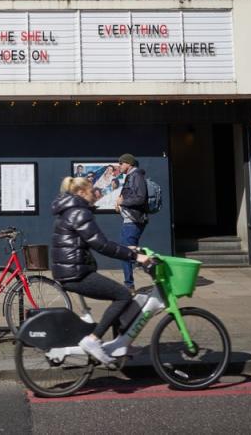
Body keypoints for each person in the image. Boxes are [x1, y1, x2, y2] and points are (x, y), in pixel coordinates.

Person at [51, 176, 151, 365]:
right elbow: (102, 245)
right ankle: (93, 340)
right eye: (91, 190)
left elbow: (94, 242)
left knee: (118, 296)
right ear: (81, 193)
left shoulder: (70, 211)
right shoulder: (79, 213)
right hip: (76, 273)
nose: (95, 193)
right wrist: (135, 257)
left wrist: (129, 250)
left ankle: (121, 345)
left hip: (71, 270)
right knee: (123, 295)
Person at [115, 153, 148, 292]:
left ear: (129, 164)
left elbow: (141, 198)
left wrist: (123, 202)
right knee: (128, 251)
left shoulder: (136, 176)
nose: (119, 165)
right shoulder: (131, 176)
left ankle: (129, 285)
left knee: (126, 252)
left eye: (121, 163)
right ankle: (148, 262)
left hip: (133, 221)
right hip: (130, 220)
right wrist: (120, 206)